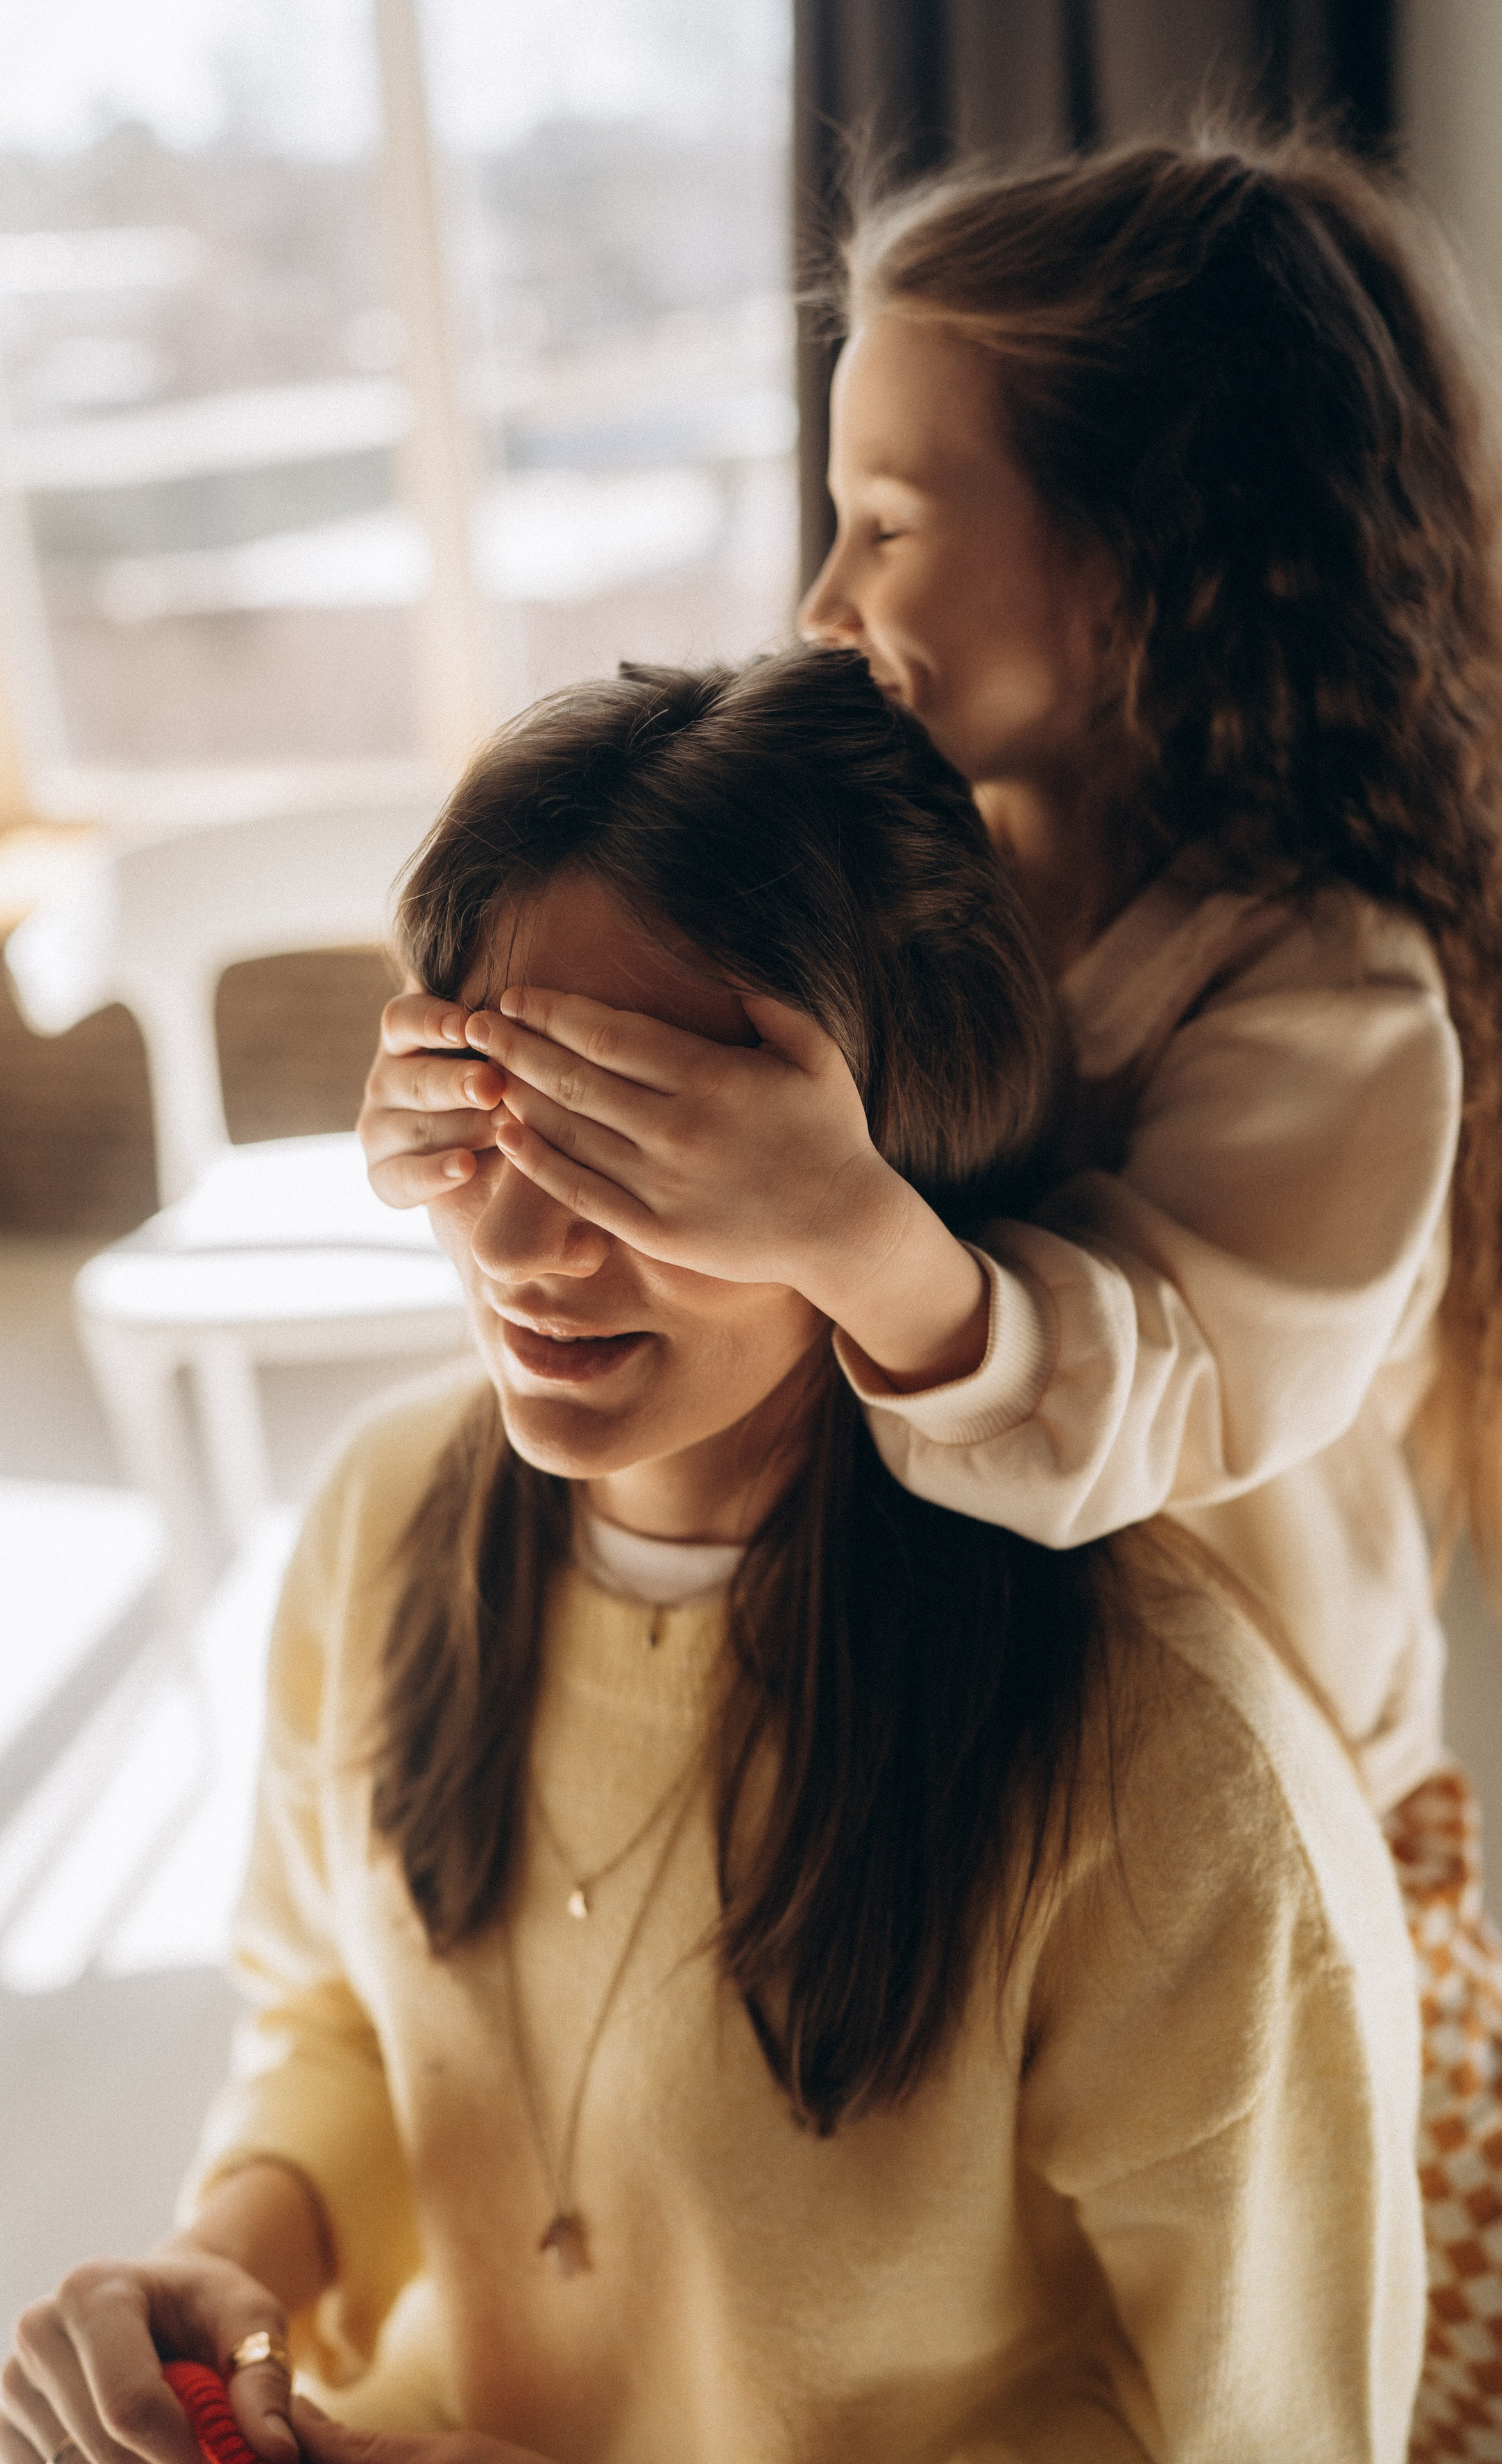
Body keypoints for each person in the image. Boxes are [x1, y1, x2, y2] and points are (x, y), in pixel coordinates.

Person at [355, 132, 1502, 2451]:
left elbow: (1142, 1402)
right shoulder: (931, 858)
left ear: (1154, 550)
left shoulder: (1334, 1002)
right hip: (912, 1718)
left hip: (1225, 1815)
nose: (819, 592)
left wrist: (838, 1214)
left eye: (888, 517)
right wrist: (488, 1102)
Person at [0, 650, 1423, 2464]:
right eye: (479, 1109)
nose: (520, 1241)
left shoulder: (1166, 1769)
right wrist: (223, 2264)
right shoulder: (379, 1521)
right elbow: (338, 2018)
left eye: (635, 1138)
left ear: (877, 1156)